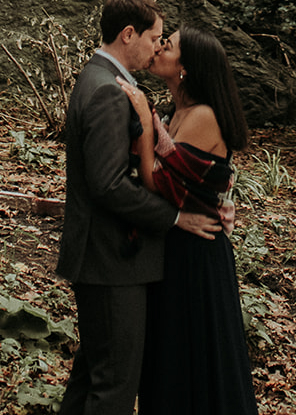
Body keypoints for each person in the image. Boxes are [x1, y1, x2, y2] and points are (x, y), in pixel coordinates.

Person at [56, 0, 222, 415]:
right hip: (111, 258)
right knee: (113, 386)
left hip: (106, 255)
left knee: (93, 375)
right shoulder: (110, 90)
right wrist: (175, 218)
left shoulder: (101, 79)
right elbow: (109, 185)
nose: (157, 48)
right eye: (155, 38)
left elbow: (183, 163)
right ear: (129, 34)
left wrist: (215, 199)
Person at [119, 24, 259, 415]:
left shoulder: (202, 116)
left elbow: (155, 180)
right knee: (172, 356)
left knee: (195, 358)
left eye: (170, 44)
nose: (161, 47)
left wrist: (146, 122)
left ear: (187, 67)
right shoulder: (174, 113)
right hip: (177, 245)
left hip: (198, 256)